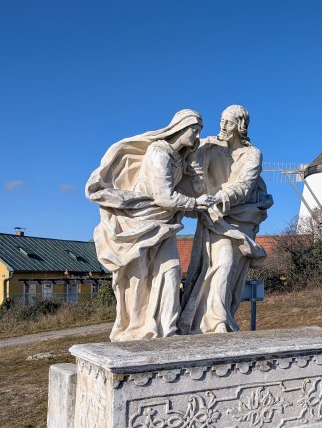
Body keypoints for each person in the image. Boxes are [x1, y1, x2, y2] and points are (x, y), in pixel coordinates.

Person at [86, 109, 217, 341]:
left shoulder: (180, 157)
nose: (196, 136)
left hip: (164, 224)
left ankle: (167, 330)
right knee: (139, 276)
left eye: (198, 132)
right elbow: (164, 197)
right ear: (180, 127)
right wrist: (195, 204)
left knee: (172, 271)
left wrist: (195, 169)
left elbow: (190, 189)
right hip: (140, 221)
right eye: (194, 130)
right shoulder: (159, 153)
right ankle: (136, 328)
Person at [179, 105, 273, 334]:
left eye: (228, 122)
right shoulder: (210, 147)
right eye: (221, 121)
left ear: (240, 126)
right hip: (215, 217)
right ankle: (216, 322)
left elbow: (245, 185)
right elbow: (190, 167)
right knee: (223, 262)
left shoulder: (252, 154)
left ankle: (219, 317)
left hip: (241, 217)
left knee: (232, 273)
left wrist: (222, 196)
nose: (222, 126)